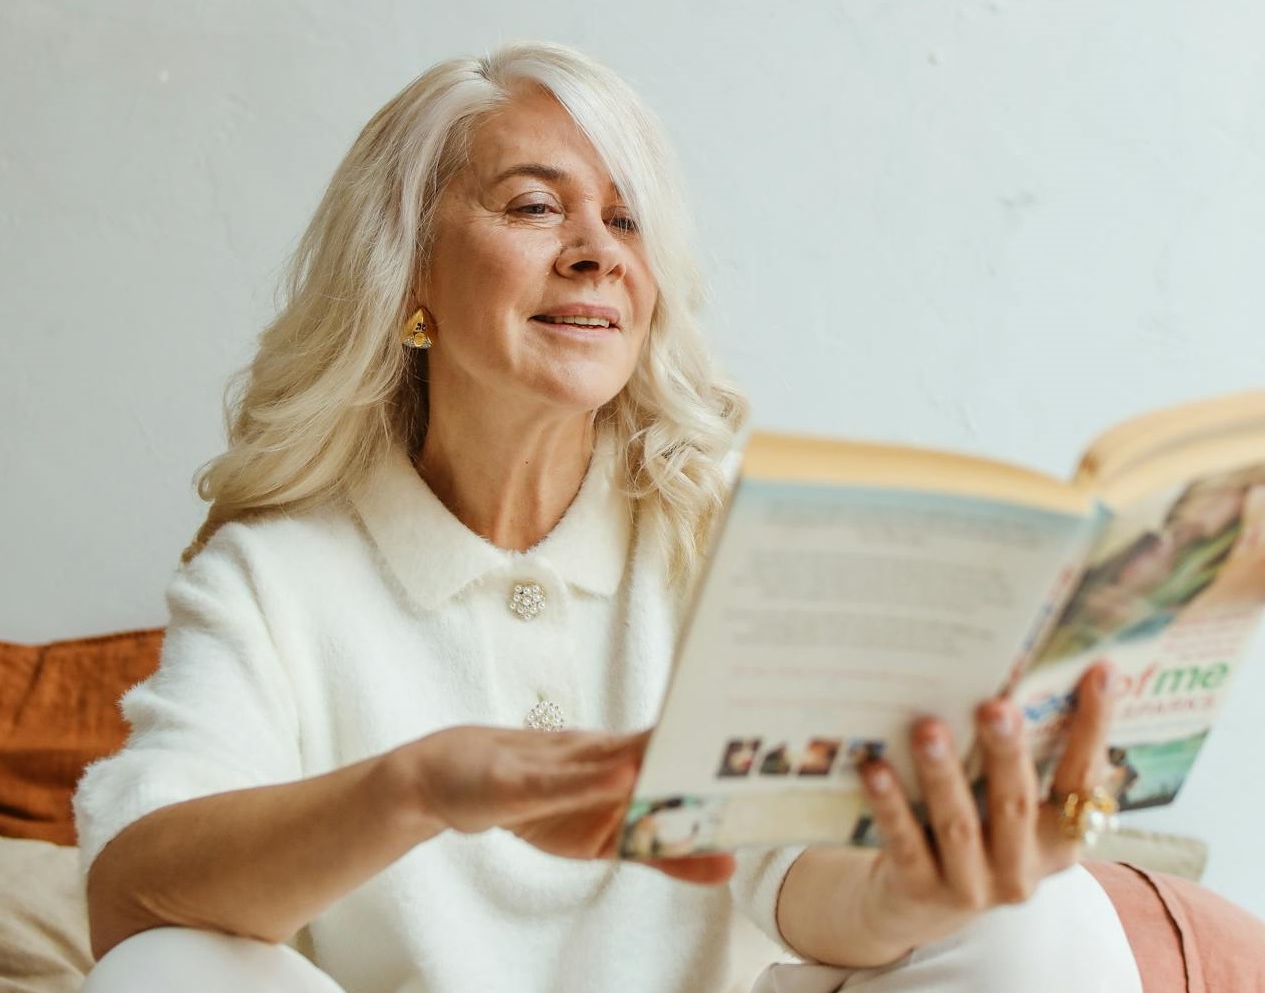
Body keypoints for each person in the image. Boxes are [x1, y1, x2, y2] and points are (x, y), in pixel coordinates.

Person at [74, 43, 1144, 993]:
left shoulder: (718, 528)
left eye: (626, 219)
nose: (599, 250)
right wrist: (422, 787)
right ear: (409, 279)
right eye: (536, 207)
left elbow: (801, 881)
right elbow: (132, 896)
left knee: (1047, 921)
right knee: (164, 971)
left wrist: (924, 889)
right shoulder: (275, 580)